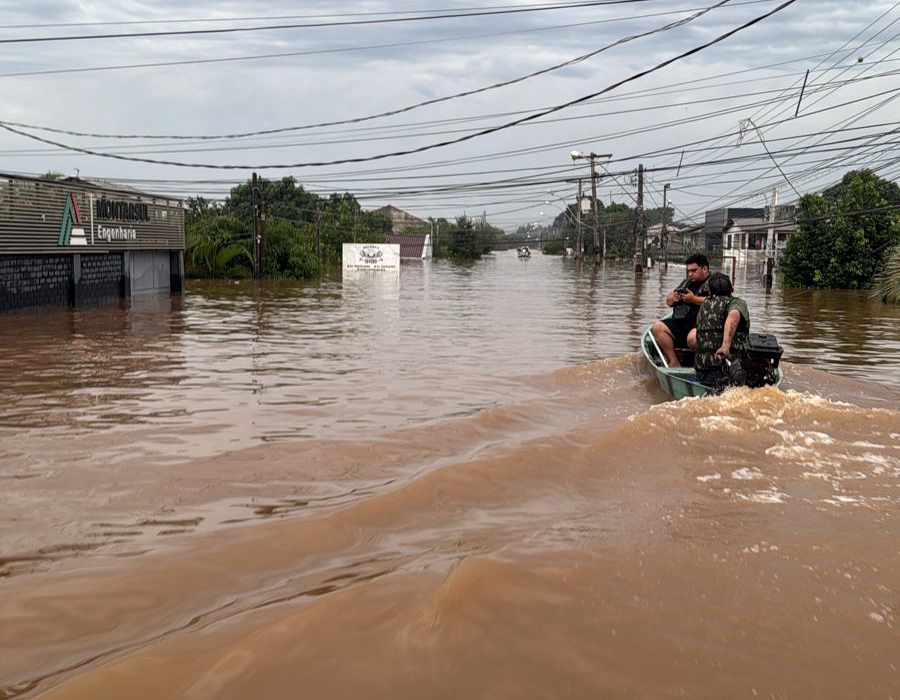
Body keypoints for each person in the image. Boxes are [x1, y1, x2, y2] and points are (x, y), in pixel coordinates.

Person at [687, 272, 750, 389]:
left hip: (703, 375)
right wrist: (725, 346)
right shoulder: (737, 303)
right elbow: (733, 316)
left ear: (710, 293)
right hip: (730, 372)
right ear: (732, 289)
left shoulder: (704, 305)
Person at [650, 253, 711, 366]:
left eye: (694, 270)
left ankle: (702, 364)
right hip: (682, 324)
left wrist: (693, 299)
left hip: (703, 325)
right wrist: (672, 299)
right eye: (688, 271)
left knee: (692, 338)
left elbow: (719, 302)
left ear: (705, 269)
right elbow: (669, 301)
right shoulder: (686, 283)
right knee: (657, 327)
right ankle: (674, 361)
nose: (690, 274)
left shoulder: (715, 283)